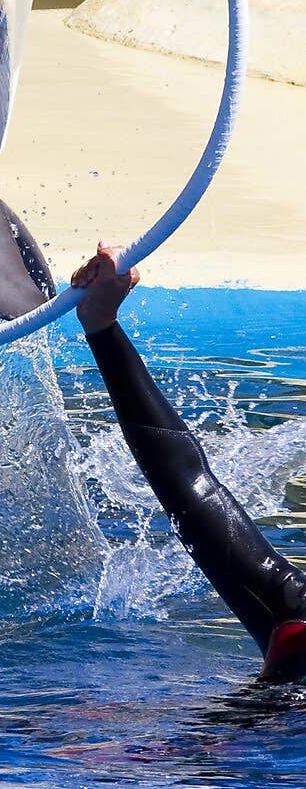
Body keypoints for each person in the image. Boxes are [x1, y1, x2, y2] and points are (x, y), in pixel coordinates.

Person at [71, 243, 306, 684]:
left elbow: (191, 484)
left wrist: (102, 329)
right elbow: (191, 487)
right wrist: (102, 327)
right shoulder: (294, 616)